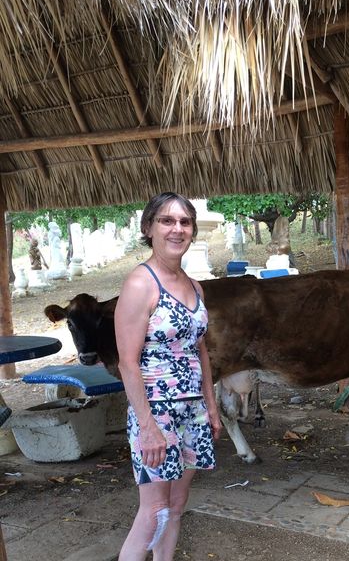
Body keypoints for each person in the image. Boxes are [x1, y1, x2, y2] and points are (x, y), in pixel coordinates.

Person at [115, 192, 222, 560]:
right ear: (149, 228)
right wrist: (147, 427)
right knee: (154, 511)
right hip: (156, 412)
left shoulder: (194, 286)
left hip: (193, 409)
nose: (177, 229)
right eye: (167, 220)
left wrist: (211, 406)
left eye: (185, 222)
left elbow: (200, 349)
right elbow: (127, 363)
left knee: (176, 505)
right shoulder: (139, 284)